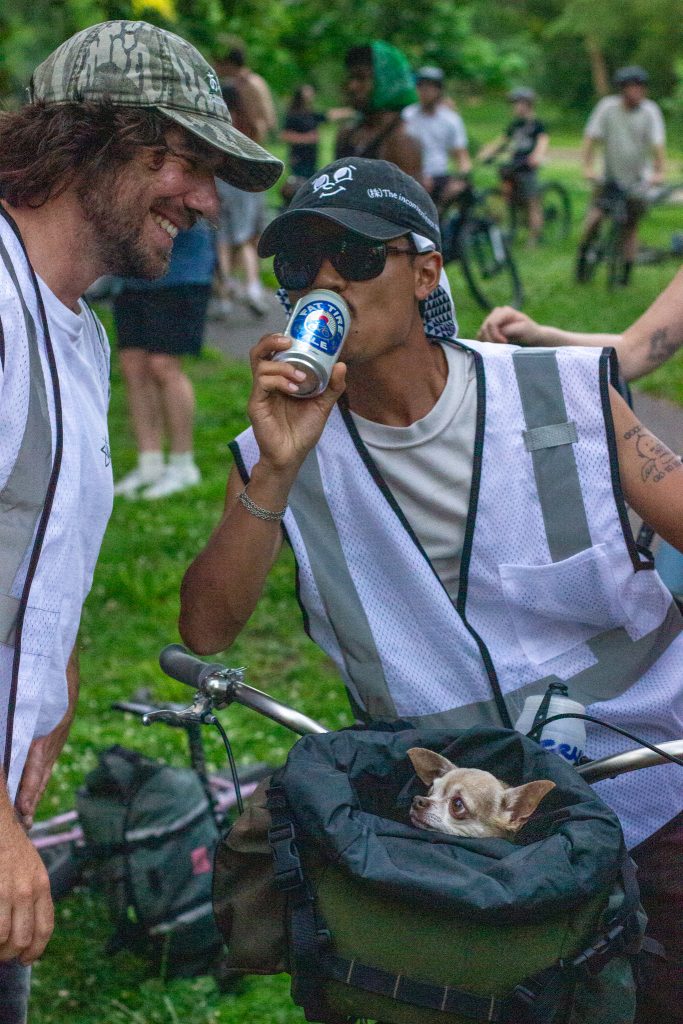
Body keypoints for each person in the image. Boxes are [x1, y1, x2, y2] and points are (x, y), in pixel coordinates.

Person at [179, 158, 682, 1023]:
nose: (325, 282)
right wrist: (278, 468)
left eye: (355, 256)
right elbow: (206, 629)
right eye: (299, 265)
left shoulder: (555, 389)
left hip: (650, 787)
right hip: (456, 827)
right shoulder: (272, 453)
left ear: (425, 273)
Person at [0, 19, 281, 1021]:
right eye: (188, 164)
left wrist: (55, 664)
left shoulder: (74, 327)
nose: (206, 203)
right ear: (100, 140)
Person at [112, 220, 216, 499]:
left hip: (182, 272)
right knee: (132, 366)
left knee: (163, 366)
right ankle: (150, 464)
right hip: (133, 275)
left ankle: (183, 464)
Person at [577, 66, 666, 285]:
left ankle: (625, 273)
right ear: (622, 90)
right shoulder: (607, 108)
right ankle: (582, 259)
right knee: (594, 219)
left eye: (640, 87)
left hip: (637, 179)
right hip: (610, 177)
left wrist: (659, 172)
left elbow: (657, 146)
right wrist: (587, 167)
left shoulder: (650, 111)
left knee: (630, 226)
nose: (637, 92)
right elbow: (591, 138)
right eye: (632, 87)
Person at [213, 80, 270, 317]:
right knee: (246, 238)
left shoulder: (217, 122)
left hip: (222, 183)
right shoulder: (250, 123)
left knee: (222, 240)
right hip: (248, 185)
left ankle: (225, 294)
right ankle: (253, 287)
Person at [335, 43, 422, 179]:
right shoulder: (347, 134)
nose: (352, 86)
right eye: (351, 78)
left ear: (387, 82)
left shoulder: (402, 140)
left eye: (361, 78)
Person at [478, 87, 549, 244]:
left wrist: (537, 155)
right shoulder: (515, 125)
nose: (515, 107)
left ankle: (534, 236)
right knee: (507, 193)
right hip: (515, 164)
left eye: (519, 103)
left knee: (532, 201)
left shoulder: (536, 124)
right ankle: (508, 225)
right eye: (514, 104)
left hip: (528, 165)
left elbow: (542, 141)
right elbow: (502, 142)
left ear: (528, 105)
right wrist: (487, 153)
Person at [402, 66, 471, 211]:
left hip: (439, 176)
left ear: (439, 90)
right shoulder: (407, 116)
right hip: (412, 175)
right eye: (421, 87)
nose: (425, 92)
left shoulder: (450, 119)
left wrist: (461, 178)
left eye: (429, 88)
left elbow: (461, 154)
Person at [281, 85, 327, 181]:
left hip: (311, 156)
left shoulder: (311, 113)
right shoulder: (293, 114)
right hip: (299, 156)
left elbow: (327, 115)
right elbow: (285, 135)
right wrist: (306, 139)